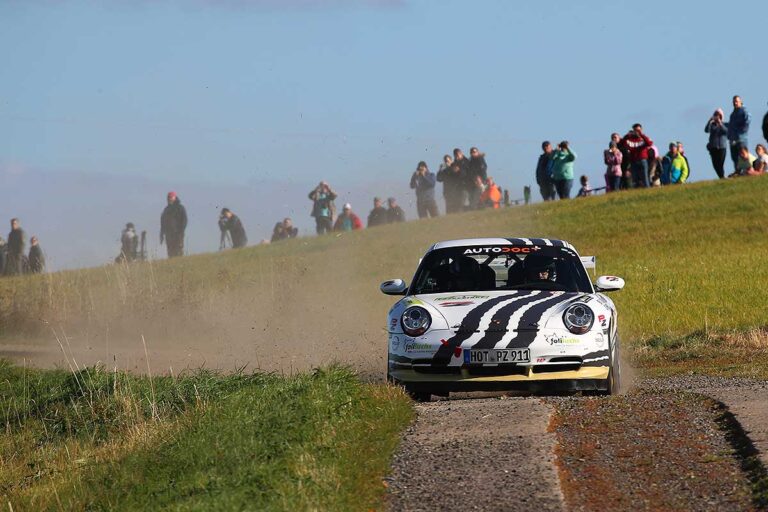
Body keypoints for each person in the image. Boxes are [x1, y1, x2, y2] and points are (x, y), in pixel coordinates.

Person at [726, 95, 751, 173]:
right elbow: (730, 126)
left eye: (736, 101)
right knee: (735, 157)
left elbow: (748, 120)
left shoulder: (744, 111)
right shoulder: (732, 114)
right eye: (734, 102)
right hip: (733, 139)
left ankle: (748, 171)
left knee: (743, 155)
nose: (735, 103)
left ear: (740, 102)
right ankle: (738, 172)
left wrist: (741, 131)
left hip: (741, 139)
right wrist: (729, 136)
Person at [160, 192, 187, 258]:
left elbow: (184, 220)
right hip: (169, 234)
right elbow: (163, 222)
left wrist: (181, 231)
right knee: (170, 252)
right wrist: (161, 234)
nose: (169, 199)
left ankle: (180, 264)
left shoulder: (180, 208)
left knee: (178, 250)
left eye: (171, 198)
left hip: (178, 233)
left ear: (174, 198)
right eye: (168, 198)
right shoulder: (166, 210)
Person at [705, 109, 728, 179]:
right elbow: (706, 130)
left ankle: (722, 177)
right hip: (713, 147)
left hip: (722, 147)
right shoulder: (712, 125)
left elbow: (726, 131)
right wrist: (709, 121)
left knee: (720, 164)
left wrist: (720, 123)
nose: (717, 116)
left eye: (718, 115)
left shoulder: (725, 124)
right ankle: (722, 177)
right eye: (715, 115)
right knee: (715, 164)